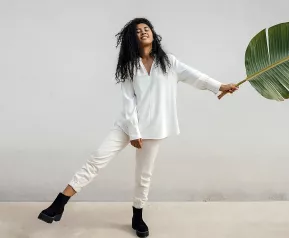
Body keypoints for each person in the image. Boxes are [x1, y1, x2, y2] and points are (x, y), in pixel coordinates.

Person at [37, 17, 238, 237]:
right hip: (127, 125)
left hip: (155, 129)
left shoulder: (169, 62)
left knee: (144, 175)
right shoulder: (129, 66)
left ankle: (137, 216)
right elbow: (128, 100)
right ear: (132, 38)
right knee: (96, 159)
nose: (143, 32)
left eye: (146, 28)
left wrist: (220, 86)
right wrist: (134, 131)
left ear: (153, 33)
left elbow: (196, 77)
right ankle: (59, 204)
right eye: (138, 31)